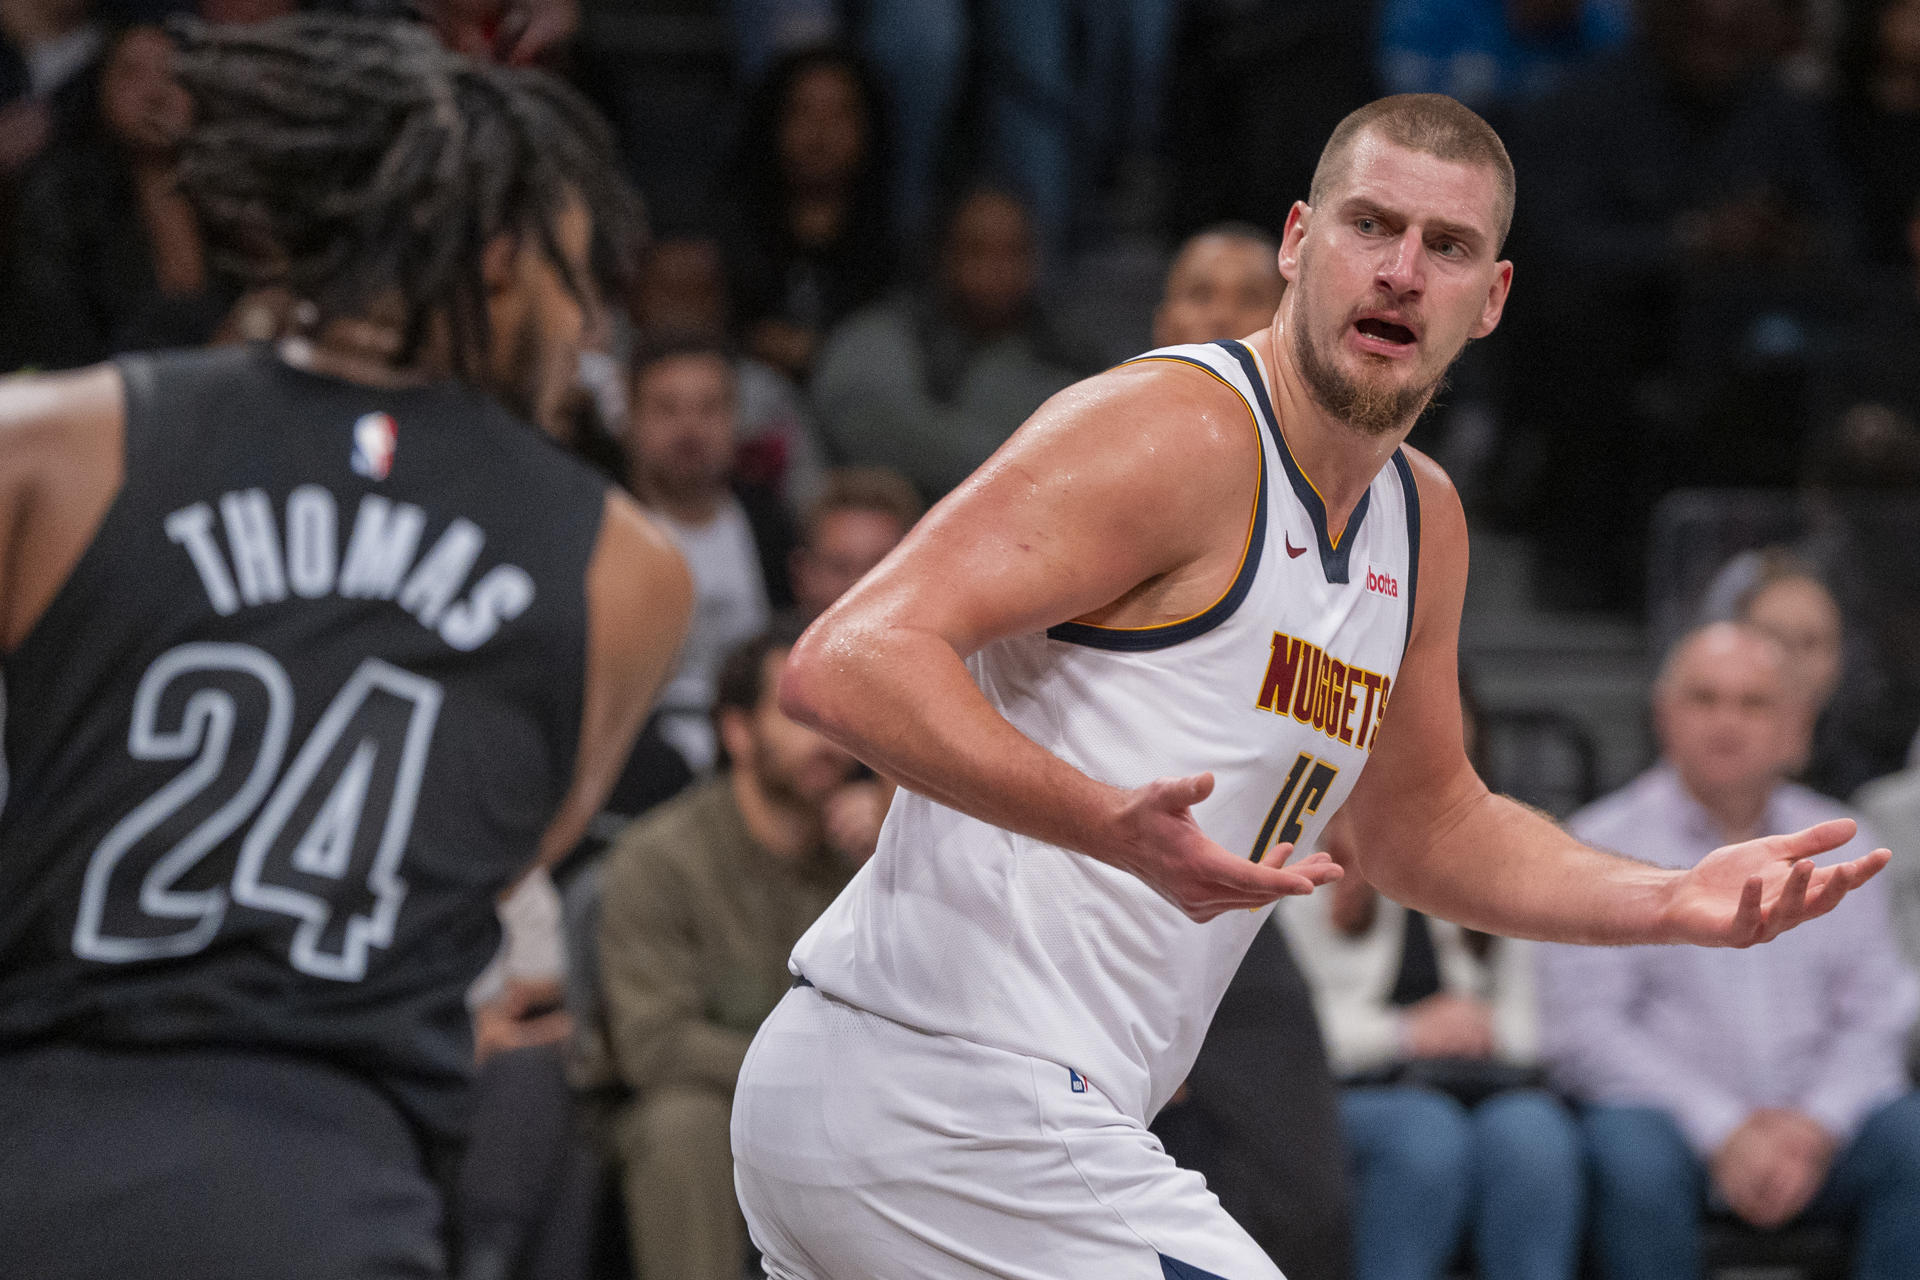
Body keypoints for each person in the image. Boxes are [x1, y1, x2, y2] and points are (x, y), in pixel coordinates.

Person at [729, 93, 1889, 1280]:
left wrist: (1668, 896)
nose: (1399, 271)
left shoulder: (1422, 520)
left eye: (1446, 247)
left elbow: (1425, 827)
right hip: (940, 1085)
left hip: (998, 1111)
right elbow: (849, 659)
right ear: (1297, 241)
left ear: (1490, 299)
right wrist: (1103, 823)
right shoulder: (1175, 429)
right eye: (1370, 225)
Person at [0, 15, 692, 1279]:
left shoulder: (54, 438)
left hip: (37, 1128)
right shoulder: (627, 565)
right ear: (495, 262)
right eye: (577, 275)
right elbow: (499, 850)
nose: (590, 326)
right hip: (330, 1172)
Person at [1538, 622, 1920, 1280]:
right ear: (1664, 716)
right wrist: (1723, 1131)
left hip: (1819, 1126)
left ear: (1795, 725)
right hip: (1670, 1127)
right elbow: (1586, 1030)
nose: (1727, 722)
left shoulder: (1844, 843)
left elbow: (1877, 1011)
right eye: (1705, 699)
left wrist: (1815, 1125)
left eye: (1753, 704)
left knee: (1912, 1141)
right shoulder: (1597, 843)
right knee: (1629, 1156)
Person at [1142, 220, 1353, 1280]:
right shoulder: (1112, 467)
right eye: (1195, 289)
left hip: (1244, 900)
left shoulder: (1356, 500)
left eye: (1243, 292)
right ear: (1160, 322)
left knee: (1305, 1206)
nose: (1221, 311)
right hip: (1098, 878)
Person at [595, 622, 871, 1280]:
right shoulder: (661, 858)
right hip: (701, 1104)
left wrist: (898, 850)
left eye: (836, 711)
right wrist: (813, 1081)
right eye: (799, 710)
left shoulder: (867, 860)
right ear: (737, 732)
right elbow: (654, 1044)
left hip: (845, 1104)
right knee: (681, 1126)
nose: (826, 735)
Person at [1284, 863, 1581, 1280]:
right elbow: (1287, 1031)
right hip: (1348, 1087)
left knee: (1534, 1134)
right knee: (1424, 1135)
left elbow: (1538, 1024)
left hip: (1475, 1080)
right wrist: (1405, 1032)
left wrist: (1476, 1026)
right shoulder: (1301, 867)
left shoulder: (1488, 865)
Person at [812, 184, 1093, 501]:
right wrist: (1017, 466)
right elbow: (863, 417)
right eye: (977, 251)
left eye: (1013, 251)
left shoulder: (1070, 356)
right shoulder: (883, 336)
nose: (996, 270)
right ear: (943, 254)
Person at [6, 23, 230, 372]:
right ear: (101, 88)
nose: (155, 94)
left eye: (176, 75)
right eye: (132, 74)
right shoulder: (61, 196)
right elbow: (60, 345)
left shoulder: (240, 196)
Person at [623, 338, 789, 773]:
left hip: (760, 758)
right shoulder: (596, 529)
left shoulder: (772, 527)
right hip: (633, 760)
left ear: (736, 419)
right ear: (630, 418)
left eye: (709, 408)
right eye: (667, 408)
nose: (689, 428)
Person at [789, 465, 921, 620]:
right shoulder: (772, 643)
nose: (857, 588)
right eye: (840, 568)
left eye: (879, 567)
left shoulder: (946, 643)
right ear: (804, 573)